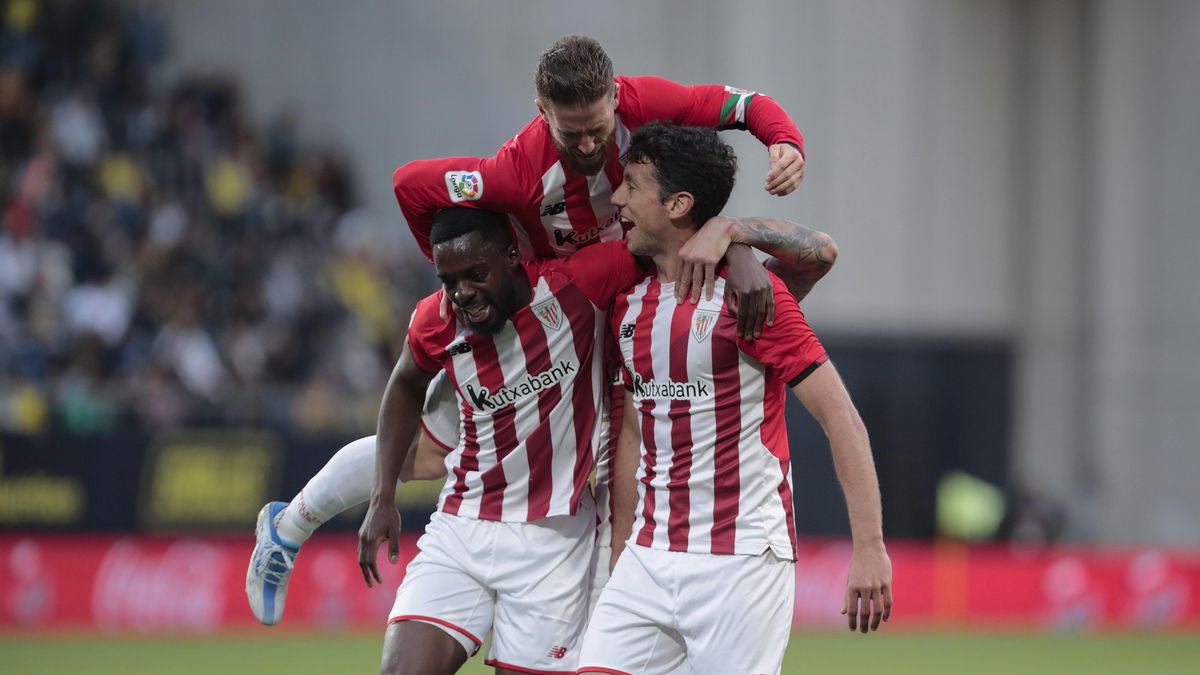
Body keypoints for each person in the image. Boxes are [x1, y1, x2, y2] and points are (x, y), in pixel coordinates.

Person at [246, 33, 839, 627]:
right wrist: (480, 288)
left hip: (620, 301)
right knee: (428, 452)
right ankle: (288, 525)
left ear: (615, 97)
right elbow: (411, 185)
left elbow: (741, 106)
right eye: (569, 132)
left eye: (597, 129)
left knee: (618, 451)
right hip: (549, 314)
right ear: (542, 114)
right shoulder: (517, 169)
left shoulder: (647, 103)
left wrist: (783, 144)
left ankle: (619, 615)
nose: (586, 145)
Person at [575, 122, 893, 674]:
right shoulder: (628, 305)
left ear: (678, 204)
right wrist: (620, 548)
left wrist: (869, 546)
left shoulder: (750, 300)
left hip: (741, 559)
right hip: (648, 558)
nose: (617, 198)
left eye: (630, 185)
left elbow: (841, 417)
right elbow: (632, 430)